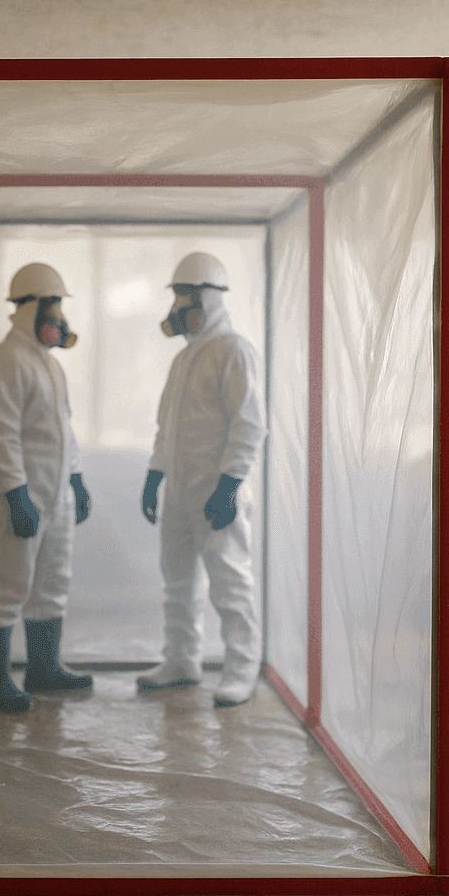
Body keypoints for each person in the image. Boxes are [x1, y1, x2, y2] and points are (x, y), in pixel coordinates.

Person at [137, 252, 267, 708]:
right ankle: (181, 660)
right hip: (180, 491)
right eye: (174, 300)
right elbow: (166, 427)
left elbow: (249, 424)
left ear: (207, 300)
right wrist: (155, 477)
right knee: (178, 583)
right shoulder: (185, 359)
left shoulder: (234, 351)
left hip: (215, 492)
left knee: (230, 584)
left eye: (184, 300)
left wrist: (229, 485)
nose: (176, 312)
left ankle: (241, 668)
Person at [0, 263, 94, 713]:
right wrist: (15, 494)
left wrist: (75, 481)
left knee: (51, 583)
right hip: (19, 499)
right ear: (32, 308)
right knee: (7, 584)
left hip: (54, 495)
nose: (61, 321)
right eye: (55, 308)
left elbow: (64, 431)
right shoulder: (4, 363)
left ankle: (43, 669)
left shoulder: (48, 367)